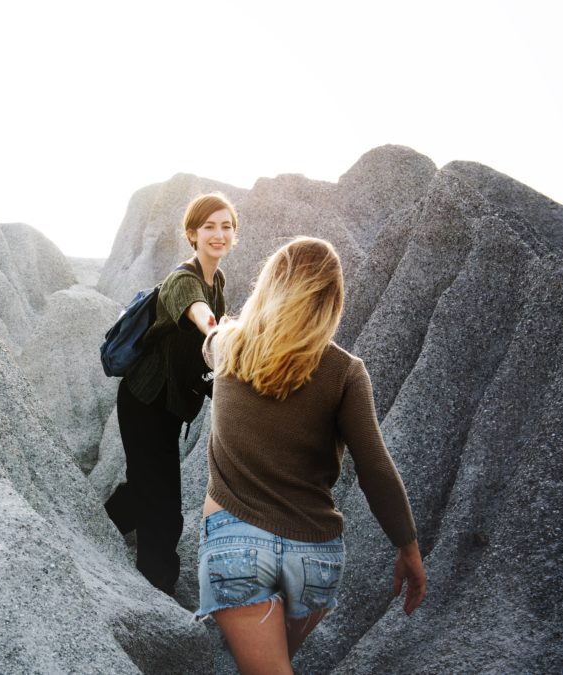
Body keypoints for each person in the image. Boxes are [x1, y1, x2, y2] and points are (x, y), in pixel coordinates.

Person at [195, 237, 426, 673]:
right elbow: (376, 468)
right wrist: (409, 549)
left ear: (269, 284)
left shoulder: (227, 345)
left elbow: (210, 339)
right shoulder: (346, 373)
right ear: (332, 300)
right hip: (314, 557)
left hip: (235, 543)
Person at [105, 192, 238, 595]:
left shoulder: (218, 281)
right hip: (144, 404)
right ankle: (157, 587)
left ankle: (96, 528)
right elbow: (199, 313)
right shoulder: (185, 281)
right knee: (163, 504)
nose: (219, 234)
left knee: (147, 485)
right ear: (192, 234)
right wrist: (216, 332)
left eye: (226, 226)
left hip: (167, 411)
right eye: (209, 227)